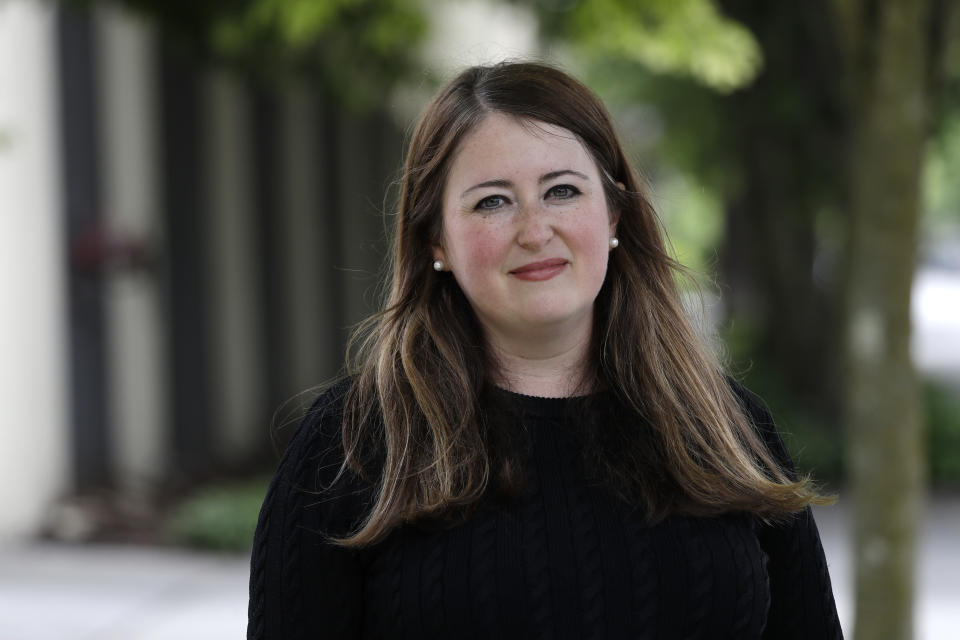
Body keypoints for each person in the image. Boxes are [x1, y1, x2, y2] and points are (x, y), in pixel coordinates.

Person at [247, 61, 843, 639]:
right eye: (492, 201)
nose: (535, 231)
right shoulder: (350, 445)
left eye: (561, 191)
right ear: (437, 242)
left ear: (614, 214)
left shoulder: (726, 428)